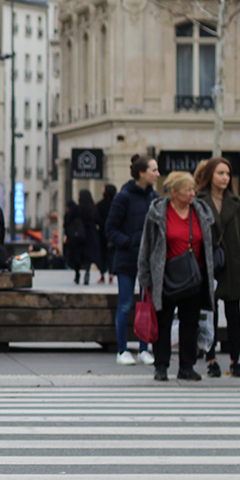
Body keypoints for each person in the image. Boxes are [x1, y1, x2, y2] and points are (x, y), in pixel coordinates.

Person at [136, 171, 215, 382]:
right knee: (163, 322)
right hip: (165, 277)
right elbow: (147, 246)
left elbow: (209, 243)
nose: (193, 193)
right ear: (173, 192)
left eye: (193, 189)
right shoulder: (158, 212)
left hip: (193, 277)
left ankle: (186, 367)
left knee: (190, 323)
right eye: (188, 190)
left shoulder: (200, 211)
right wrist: (145, 278)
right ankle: (161, 366)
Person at [195, 157, 240, 378]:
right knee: (210, 313)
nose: (225, 178)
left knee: (234, 313)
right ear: (210, 175)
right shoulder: (199, 200)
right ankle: (211, 358)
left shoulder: (236, 202)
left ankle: (236, 360)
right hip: (208, 263)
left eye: (227, 173)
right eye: (220, 173)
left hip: (232, 264)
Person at [106, 154, 160, 366]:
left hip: (147, 260)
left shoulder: (153, 197)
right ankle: (122, 350)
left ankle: (144, 348)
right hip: (127, 258)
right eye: (154, 170)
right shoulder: (124, 197)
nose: (157, 174)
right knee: (126, 303)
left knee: (146, 304)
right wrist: (129, 243)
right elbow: (110, 228)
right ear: (142, 172)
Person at [65, 191, 101, 285]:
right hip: (90, 235)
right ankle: (87, 273)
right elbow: (99, 221)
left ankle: (77, 274)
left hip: (78, 236)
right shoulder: (93, 209)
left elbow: (68, 221)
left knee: (77, 256)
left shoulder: (76, 209)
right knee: (88, 257)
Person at [97, 184, 118, 284]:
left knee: (102, 254)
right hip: (114, 232)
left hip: (102, 233)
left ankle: (102, 274)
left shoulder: (100, 204)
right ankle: (111, 274)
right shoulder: (116, 204)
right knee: (112, 254)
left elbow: (97, 218)